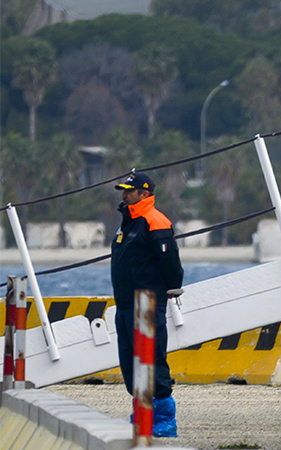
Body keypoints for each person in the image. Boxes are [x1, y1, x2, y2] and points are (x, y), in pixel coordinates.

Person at [111, 172, 183, 437]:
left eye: (129, 191)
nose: (123, 194)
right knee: (130, 362)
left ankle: (164, 418)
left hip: (148, 304)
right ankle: (142, 413)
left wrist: (172, 287)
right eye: (123, 190)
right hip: (125, 304)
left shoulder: (154, 220)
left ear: (144, 193)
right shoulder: (127, 223)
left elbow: (171, 262)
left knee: (153, 359)